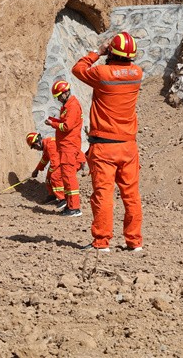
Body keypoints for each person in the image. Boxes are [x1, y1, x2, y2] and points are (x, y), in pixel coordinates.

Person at [72, 32, 143, 252]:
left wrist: (98, 51)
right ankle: (134, 242)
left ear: (111, 52)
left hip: (104, 147)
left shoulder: (102, 74)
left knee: (103, 195)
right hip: (128, 146)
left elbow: (78, 69)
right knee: (131, 196)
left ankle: (102, 242)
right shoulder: (137, 73)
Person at [45, 80, 84, 217]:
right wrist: (54, 121)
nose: (58, 99)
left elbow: (66, 126)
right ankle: (70, 205)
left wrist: (53, 124)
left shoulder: (72, 106)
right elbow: (64, 123)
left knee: (69, 177)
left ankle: (74, 208)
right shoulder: (68, 106)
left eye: (59, 96)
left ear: (65, 93)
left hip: (69, 146)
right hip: (66, 146)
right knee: (66, 178)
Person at [26, 132, 66, 205]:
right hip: (63, 161)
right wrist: (37, 170)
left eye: (34, 147)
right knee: (48, 178)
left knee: (54, 177)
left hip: (70, 161)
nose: (35, 149)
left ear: (37, 143)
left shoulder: (50, 145)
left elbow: (55, 164)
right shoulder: (46, 145)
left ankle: (63, 199)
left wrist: (50, 174)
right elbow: (44, 159)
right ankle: (52, 195)